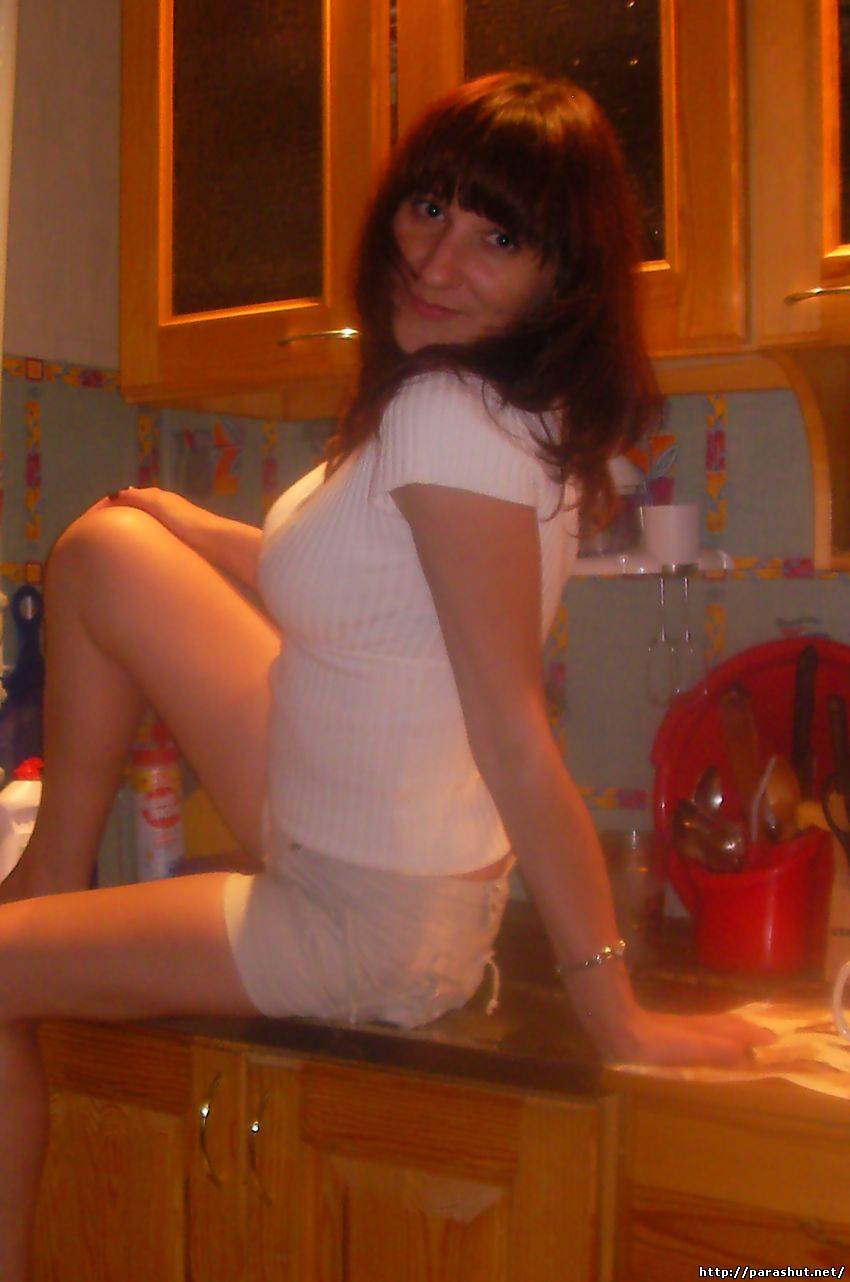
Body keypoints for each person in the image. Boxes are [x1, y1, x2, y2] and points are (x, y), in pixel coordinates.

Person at [0, 72, 772, 1277]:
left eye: (498, 237)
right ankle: (48, 879)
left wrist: (611, 1006)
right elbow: (364, 597)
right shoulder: (478, 410)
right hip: (347, 838)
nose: (438, 258)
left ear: (560, 276)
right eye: (431, 207)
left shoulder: (445, 417)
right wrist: (184, 522)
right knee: (104, 549)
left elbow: (512, 729)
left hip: (359, 918)